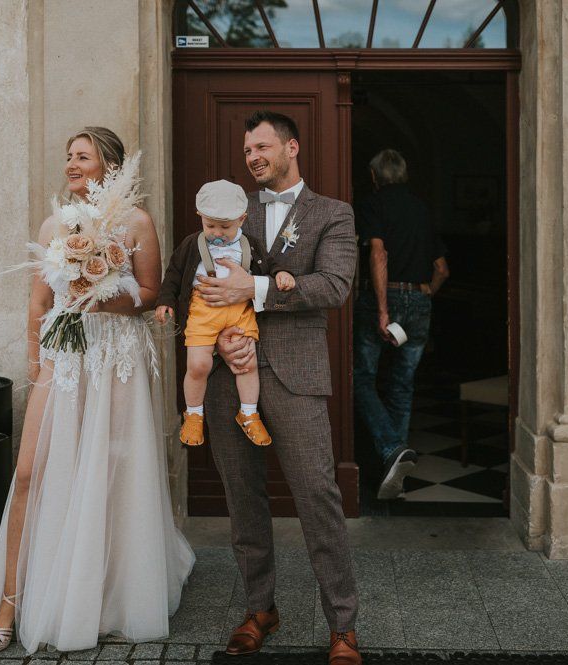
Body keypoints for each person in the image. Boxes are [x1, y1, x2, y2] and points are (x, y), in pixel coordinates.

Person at [0, 127, 195, 654]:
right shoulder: (55, 223)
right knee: (30, 472)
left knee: (110, 470)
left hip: (114, 355)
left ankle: (102, 596)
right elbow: (37, 303)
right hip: (63, 358)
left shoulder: (136, 222)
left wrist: (102, 296)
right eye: (68, 155)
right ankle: (11, 601)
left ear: (108, 164)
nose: (71, 163)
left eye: (83, 155)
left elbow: (148, 293)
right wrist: (35, 362)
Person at [193, 111, 363, 665]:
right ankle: (260, 608)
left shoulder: (333, 214)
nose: (253, 158)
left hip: (297, 373)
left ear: (292, 147)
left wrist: (257, 288)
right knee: (242, 496)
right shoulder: (228, 212)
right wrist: (220, 343)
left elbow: (334, 284)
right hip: (227, 374)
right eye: (247, 151)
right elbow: (199, 285)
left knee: (317, 495)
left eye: (262, 147)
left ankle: (342, 624)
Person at [155, 179, 294, 448]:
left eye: (225, 227)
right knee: (198, 365)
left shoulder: (250, 245)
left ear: (242, 219)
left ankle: (249, 412)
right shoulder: (191, 245)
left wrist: (281, 274)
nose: (217, 232)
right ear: (201, 218)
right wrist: (165, 300)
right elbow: (173, 273)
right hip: (203, 310)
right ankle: (194, 414)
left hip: (239, 311)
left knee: (247, 363)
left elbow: (270, 263)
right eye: (210, 226)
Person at [353, 149, 449, 500]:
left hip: (386, 297)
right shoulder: (422, 209)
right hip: (419, 301)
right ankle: (396, 472)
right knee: (402, 385)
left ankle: (391, 447)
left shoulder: (374, 204)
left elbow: (378, 254)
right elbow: (441, 269)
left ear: (375, 177)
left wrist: (382, 310)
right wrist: (427, 291)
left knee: (359, 378)